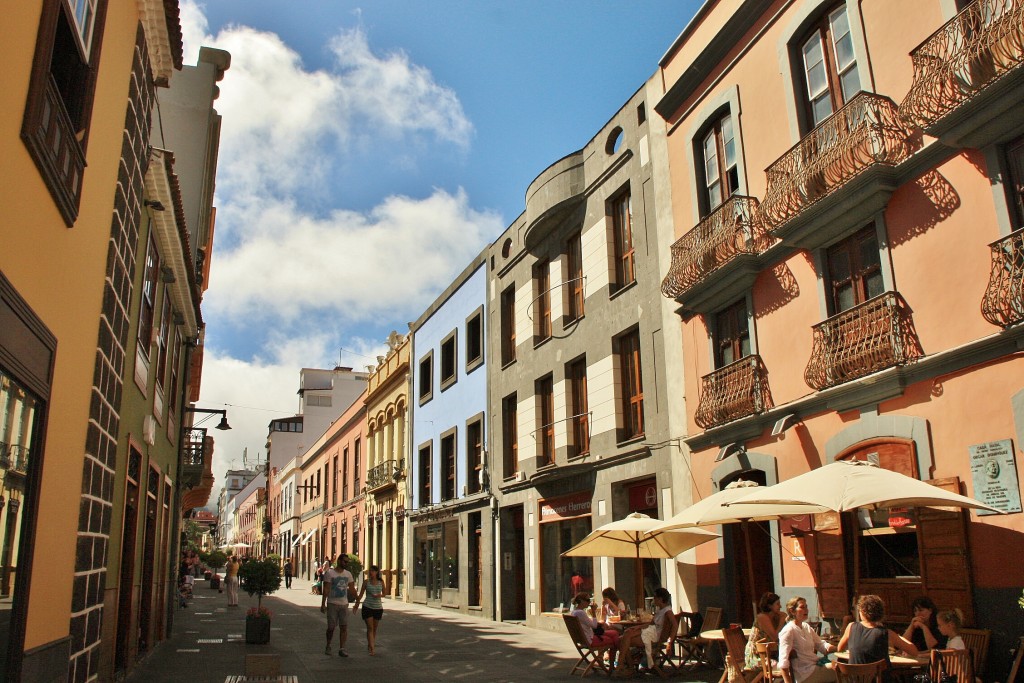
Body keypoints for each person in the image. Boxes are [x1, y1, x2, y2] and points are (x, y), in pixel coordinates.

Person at [838, 595, 918, 683]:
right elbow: (914, 652)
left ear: (862, 612)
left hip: (855, 680)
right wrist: (898, 636)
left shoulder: (851, 627)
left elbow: (840, 648)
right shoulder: (886, 633)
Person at [615, 587, 676, 676]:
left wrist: (670, 641)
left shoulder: (668, 611)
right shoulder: (661, 610)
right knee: (624, 636)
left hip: (654, 636)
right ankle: (625, 666)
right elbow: (650, 624)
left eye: (655, 597)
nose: (654, 599)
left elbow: (675, 625)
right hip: (650, 632)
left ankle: (624, 666)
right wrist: (637, 627)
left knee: (624, 638)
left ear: (660, 599)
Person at [778, 596, 836, 683]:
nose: (806, 610)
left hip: (815, 666)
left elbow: (821, 645)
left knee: (841, 667)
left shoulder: (806, 626)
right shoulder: (788, 630)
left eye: (806, 607)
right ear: (792, 611)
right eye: (802, 607)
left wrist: (840, 648)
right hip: (805, 673)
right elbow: (783, 662)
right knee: (843, 670)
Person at [321, 555, 354, 657]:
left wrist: (357, 599)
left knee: (344, 627)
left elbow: (352, 588)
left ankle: (342, 648)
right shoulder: (329, 573)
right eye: (345, 561)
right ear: (339, 561)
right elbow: (326, 589)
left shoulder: (348, 574)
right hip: (332, 604)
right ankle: (328, 645)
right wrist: (323, 604)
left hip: (344, 604)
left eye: (347, 562)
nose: (346, 564)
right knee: (331, 627)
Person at [352, 564, 388, 655]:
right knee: (370, 628)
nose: (371, 573)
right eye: (370, 571)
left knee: (374, 629)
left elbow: (384, 593)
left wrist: (379, 595)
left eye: (372, 571)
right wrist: (356, 605)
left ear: (376, 572)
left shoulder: (381, 582)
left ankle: (370, 644)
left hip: (378, 608)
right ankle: (372, 648)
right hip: (367, 606)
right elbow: (360, 595)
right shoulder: (366, 582)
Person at [745, 592, 786, 669]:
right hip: (757, 656)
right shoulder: (762, 617)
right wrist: (782, 620)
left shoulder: (775, 617)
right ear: (769, 606)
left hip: (771, 653)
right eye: (777, 604)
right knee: (782, 665)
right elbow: (775, 637)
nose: (780, 606)